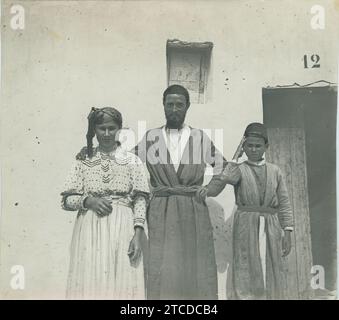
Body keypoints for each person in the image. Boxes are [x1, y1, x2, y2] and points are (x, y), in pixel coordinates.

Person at [76, 85, 227, 299]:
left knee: (195, 268)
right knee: (162, 267)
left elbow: (225, 168)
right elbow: (125, 160)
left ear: (187, 107)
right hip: (160, 211)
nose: (174, 109)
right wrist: (92, 152)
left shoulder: (200, 138)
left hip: (193, 211)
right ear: (163, 106)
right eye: (170, 105)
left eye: (179, 105)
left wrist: (210, 188)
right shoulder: (151, 138)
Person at [61, 107, 150, 299]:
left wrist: (138, 235)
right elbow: (67, 200)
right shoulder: (83, 161)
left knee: (123, 282)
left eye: (112, 128)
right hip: (90, 229)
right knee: (91, 280)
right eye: (102, 128)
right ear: (94, 130)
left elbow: (140, 199)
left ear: (120, 129)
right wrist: (88, 201)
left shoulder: (132, 161)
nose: (107, 133)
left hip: (123, 227)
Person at [219, 122, 294, 300]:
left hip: (271, 226)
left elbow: (284, 202)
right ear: (243, 147)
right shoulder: (239, 169)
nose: (253, 149)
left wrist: (288, 231)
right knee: (245, 265)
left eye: (258, 146)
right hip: (245, 225)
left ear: (266, 147)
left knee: (270, 265)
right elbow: (225, 177)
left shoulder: (275, 171)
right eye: (249, 145)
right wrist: (236, 156)